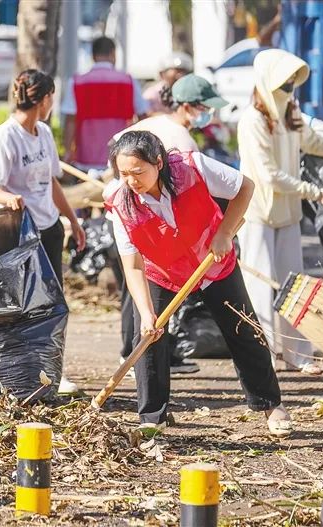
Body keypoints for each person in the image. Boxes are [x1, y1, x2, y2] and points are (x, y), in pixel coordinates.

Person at [104, 130, 291, 438]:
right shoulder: (121, 205)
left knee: (244, 328)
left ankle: (271, 403)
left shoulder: (193, 168)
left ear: (159, 163)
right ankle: (152, 416)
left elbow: (245, 187)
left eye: (138, 172)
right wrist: (146, 311)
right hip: (161, 270)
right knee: (149, 336)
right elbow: (133, 265)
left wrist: (225, 233)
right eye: (124, 173)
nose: (131, 181)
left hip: (213, 259)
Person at [112, 74, 229, 375]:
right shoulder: (179, 139)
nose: (209, 115)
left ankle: (134, 349)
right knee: (142, 288)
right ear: (189, 107)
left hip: (142, 206)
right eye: (205, 108)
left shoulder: (157, 123)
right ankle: (140, 353)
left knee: (138, 295)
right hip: (139, 214)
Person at [0, 69, 87, 394]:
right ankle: (21, 372)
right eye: (51, 97)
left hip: (49, 228)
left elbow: (52, 181)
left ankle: (53, 372)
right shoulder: (5, 137)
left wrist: (72, 219)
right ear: (42, 100)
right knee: (24, 305)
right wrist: (9, 198)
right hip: (20, 235)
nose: (52, 103)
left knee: (54, 303)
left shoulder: (43, 133)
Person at [237, 49, 323, 375]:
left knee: (294, 285)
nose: (290, 88)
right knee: (260, 288)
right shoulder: (252, 120)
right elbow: (269, 175)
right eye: (284, 82)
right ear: (268, 82)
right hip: (258, 214)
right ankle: (262, 355)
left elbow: (315, 143)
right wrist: (316, 192)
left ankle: (296, 352)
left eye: (293, 82)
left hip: (288, 214)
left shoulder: (291, 113)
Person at [61, 36, 149, 172]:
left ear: (93, 56)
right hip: (121, 156)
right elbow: (143, 116)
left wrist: (67, 150)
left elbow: (70, 120)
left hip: (86, 158)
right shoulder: (128, 81)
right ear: (113, 53)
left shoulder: (77, 82)